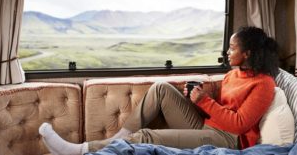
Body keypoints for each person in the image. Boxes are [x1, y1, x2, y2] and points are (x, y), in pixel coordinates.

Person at [39, 26, 279, 155]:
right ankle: (115, 141)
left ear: (247, 53)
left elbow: (238, 123)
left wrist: (204, 101)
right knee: (161, 88)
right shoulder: (232, 74)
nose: (227, 52)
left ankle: (80, 150)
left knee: (145, 137)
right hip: (209, 125)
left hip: (229, 140)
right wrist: (195, 97)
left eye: (232, 48)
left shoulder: (264, 84)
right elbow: (221, 107)